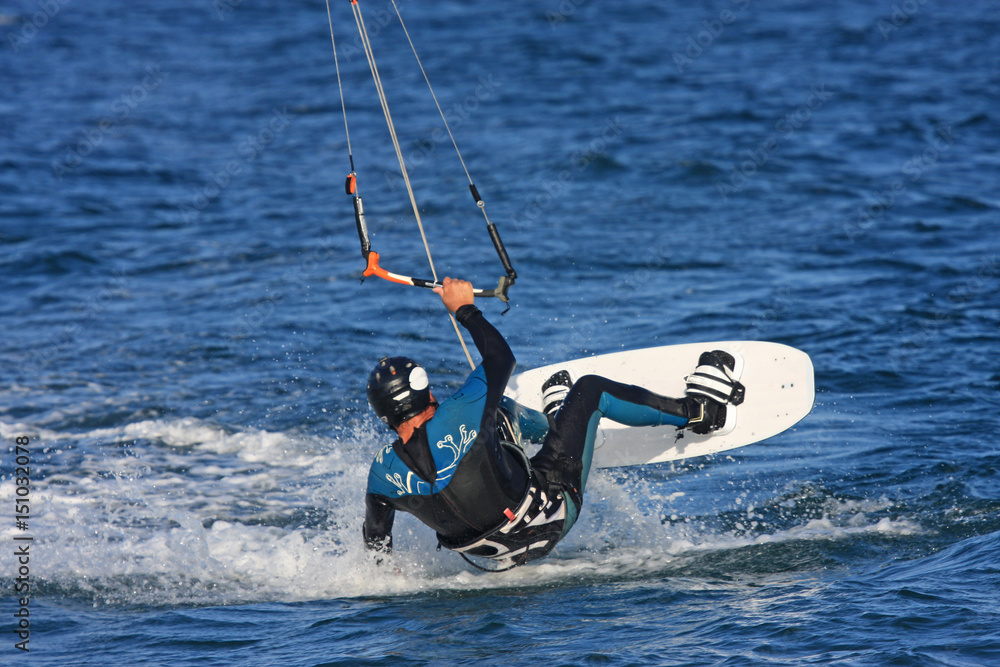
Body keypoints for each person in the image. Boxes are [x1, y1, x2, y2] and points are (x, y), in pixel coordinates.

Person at [362, 277, 744, 569]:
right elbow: (501, 358)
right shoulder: (460, 411)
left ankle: (558, 425)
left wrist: (387, 572)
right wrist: (465, 310)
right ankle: (700, 412)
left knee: (494, 414)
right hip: (553, 515)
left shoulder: (380, 474)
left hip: (498, 558)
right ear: (425, 391)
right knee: (590, 391)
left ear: (384, 416)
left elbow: (376, 537)